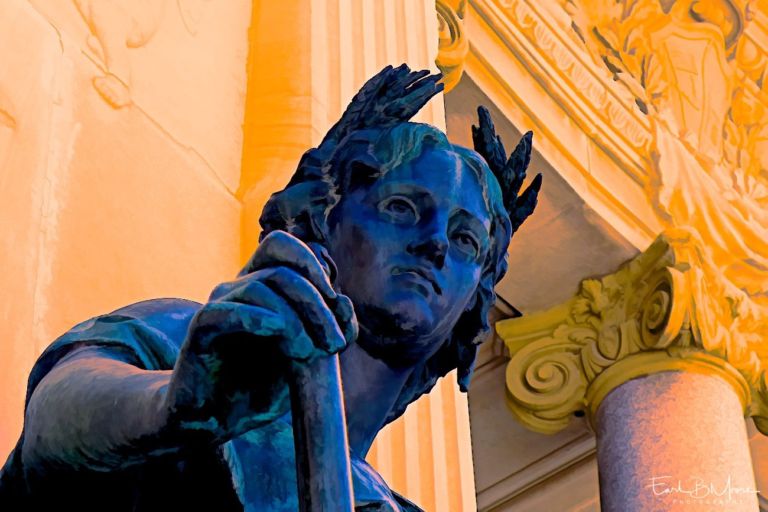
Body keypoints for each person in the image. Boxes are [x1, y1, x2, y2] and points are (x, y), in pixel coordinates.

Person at [0, 65, 541, 511]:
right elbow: (55, 415)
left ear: (474, 302)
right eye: (401, 208)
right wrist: (171, 408)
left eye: (466, 240)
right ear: (321, 220)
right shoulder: (189, 341)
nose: (435, 245)